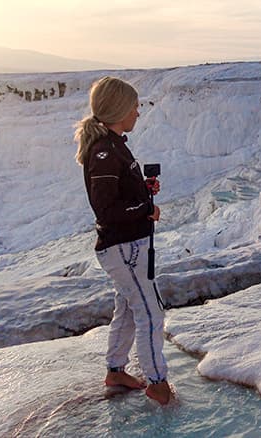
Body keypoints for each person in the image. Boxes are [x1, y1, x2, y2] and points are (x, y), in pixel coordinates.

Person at [74, 76, 172, 405]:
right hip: (124, 247)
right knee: (150, 313)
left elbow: (117, 197)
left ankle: (116, 370)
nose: (138, 112)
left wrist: (144, 192)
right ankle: (158, 384)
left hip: (128, 245)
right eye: (134, 106)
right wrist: (145, 206)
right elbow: (106, 209)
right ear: (118, 109)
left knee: (129, 310)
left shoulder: (113, 144)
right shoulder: (104, 152)